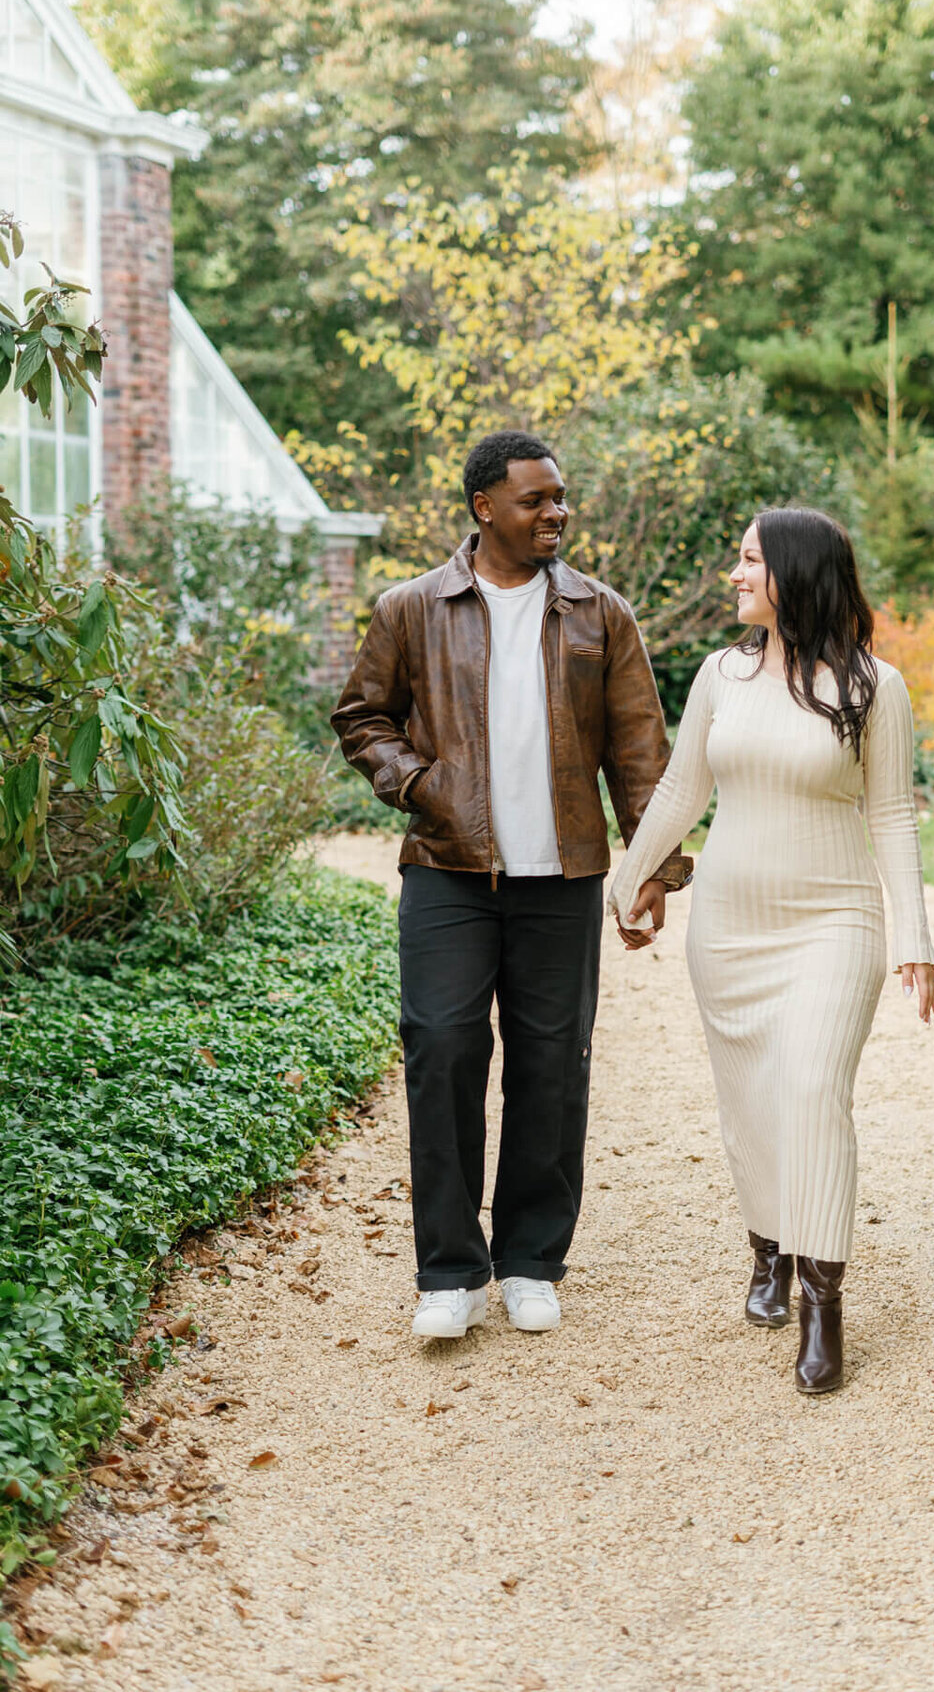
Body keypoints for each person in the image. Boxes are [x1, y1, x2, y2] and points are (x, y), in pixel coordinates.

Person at [331, 430, 690, 1341]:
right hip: (449, 871)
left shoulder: (600, 614)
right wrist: (420, 786)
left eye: (560, 498)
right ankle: (449, 1273)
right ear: (484, 507)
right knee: (442, 1051)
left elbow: (641, 750)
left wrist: (653, 869)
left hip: (563, 877)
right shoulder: (411, 608)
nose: (555, 513)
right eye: (535, 500)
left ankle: (531, 1261)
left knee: (550, 1067)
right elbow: (362, 716)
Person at [608, 507, 934, 1395]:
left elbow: (893, 814)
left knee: (809, 1089)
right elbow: (683, 786)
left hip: (835, 922)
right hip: (730, 925)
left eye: (749, 560)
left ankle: (821, 1301)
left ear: (794, 573)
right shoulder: (722, 674)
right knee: (752, 1101)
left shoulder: (876, 686)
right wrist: (629, 878)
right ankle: (768, 1248)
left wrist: (914, 935)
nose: (735, 574)